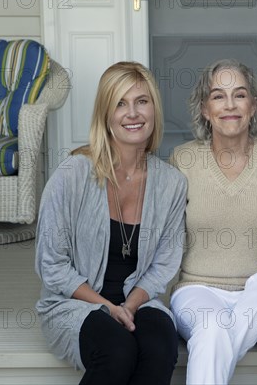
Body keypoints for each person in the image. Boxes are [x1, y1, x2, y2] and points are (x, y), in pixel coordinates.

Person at [35, 61, 187, 385]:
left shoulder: (172, 183)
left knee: (160, 347)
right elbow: (52, 263)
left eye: (141, 101)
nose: (132, 113)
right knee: (117, 350)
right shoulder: (72, 175)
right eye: (120, 103)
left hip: (138, 303)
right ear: (106, 115)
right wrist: (107, 306)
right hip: (73, 305)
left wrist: (129, 306)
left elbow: (164, 263)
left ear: (154, 110)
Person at [169, 58, 257, 384]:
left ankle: (217, 350)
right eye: (218, 96)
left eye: (239, 95)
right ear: (204, 108)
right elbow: (162, 236)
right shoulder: (183, 159)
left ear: (253, 105)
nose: (229, 105)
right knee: (210, 328)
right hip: (196, 290)